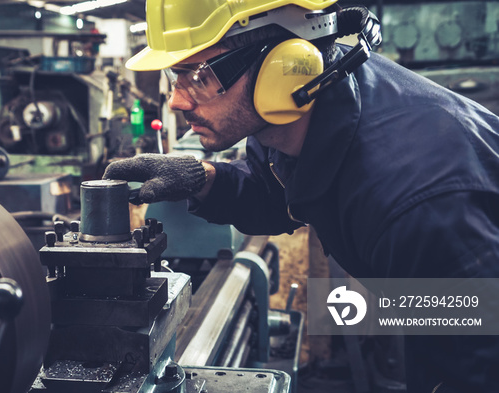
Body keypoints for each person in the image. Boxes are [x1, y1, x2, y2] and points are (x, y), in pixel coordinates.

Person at [103, 0, 499, 392]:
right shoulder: (296, 111)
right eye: (177, 77)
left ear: (284, 67)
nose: (177, 101)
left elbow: (477, 357)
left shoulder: (417, 204)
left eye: (199, 77)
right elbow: (280, 196)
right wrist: (201, 178)